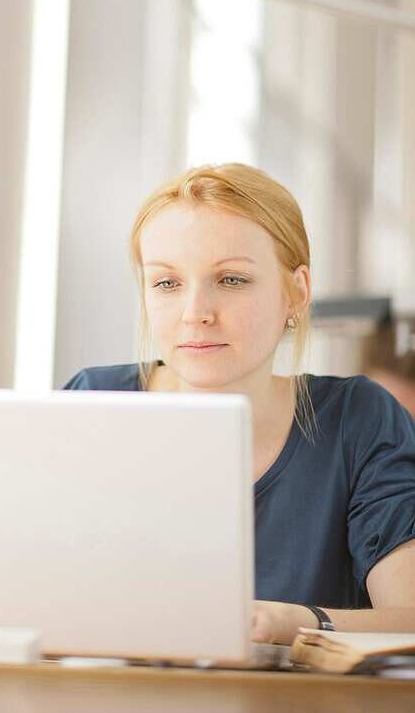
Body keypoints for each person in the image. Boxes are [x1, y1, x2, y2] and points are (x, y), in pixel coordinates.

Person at [64, 163, 415, 646]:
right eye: (167, 283)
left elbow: (410, 617)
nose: (196, 315)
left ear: (297, 291)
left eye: (230, 280)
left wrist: (299, 623)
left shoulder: (359, 419)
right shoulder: (93, 402)